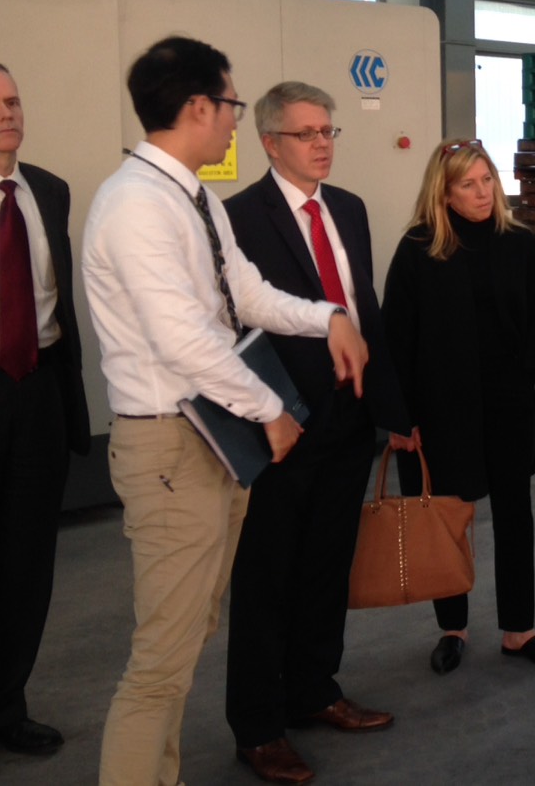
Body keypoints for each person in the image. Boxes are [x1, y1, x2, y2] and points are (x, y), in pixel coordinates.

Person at [83, 37, 369, 786]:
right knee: (161, 662)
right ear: (198, 106)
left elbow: (245, 296)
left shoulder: (193, 196)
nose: (237, 120)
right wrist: (269, 407)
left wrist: (329, 315)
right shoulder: (136, 204)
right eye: (233, 104)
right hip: (169, 447)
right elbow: (181, 337)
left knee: (186, 639)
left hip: (210, 441)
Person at [222, 82, 413, 783]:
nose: (322, 144)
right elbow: (237, 325)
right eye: (306, 133)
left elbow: (365, 311)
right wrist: (264, 412)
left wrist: (393, 411)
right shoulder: (239, 218)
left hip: (350, 417)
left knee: (328, 564)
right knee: (267, 574)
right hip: (281, 423)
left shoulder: (350, 209)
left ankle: (313, 690)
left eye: (328, 130)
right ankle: (258, 726)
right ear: (270, 143)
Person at [382, 139, 535, 674]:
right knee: (447, 520)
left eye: (487, 180)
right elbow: (396, 338)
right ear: (443, 193)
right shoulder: (418, 250)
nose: (483, 192)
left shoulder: (520, 243)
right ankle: (453, 629)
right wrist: (400, 418)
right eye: (468, 184)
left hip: (507, 406)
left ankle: (519, 629)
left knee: (515, 517)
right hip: (442, 411)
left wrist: (526, 379)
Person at [0, 61, 90, 784]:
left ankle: (5, 709)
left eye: (12, 101)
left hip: (40, 390)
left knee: (26, 563)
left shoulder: (48, 189)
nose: (6, 114)